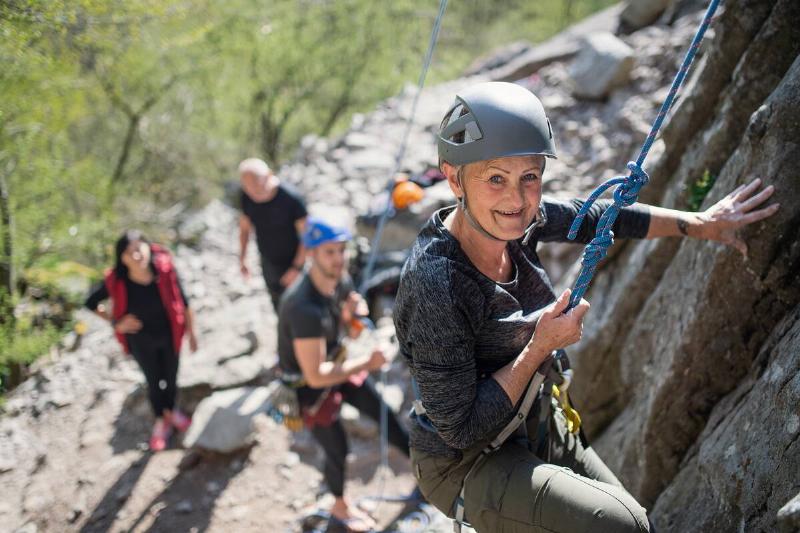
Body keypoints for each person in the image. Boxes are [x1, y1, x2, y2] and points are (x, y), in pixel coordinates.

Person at [393, 81, 779, 533]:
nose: (517, 200)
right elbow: (460, 428)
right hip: (465, 463)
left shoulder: (518, 221)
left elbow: (597, 218)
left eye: (530, 177)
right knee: (624, 525)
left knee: (637, 525)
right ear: (454, 177)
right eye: (495, 178)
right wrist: (540, 347)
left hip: (533, 421)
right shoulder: (437, 283)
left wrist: (700, 225)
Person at [277, 218, 411, 532]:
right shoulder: (302, 307)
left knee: (385, 415)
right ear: (311, 254)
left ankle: (427, 475)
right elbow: (315, 375)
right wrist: (368, 362)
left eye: (341, 250)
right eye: (329, 253)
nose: (339, 259)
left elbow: (345, 327)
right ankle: (339, 506)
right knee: (336, 447)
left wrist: (354, 315)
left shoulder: (340, 279)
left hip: (336, 363)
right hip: (309, 387)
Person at [86, 230, 199, 451]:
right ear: (122, 258)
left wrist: (192, 334)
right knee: (154, 380)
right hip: (140, 341)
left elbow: (184, 301)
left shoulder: (165, 269)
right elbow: (91, 302)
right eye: (129, 252)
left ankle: (171, 412)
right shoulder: (116, 280)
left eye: (139, 248)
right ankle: (161, 420)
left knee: (172, 376)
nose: (136, 255)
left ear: (148, 247)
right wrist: (115, 322)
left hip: (170, 334)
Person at [238, 157, 308, 310]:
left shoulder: (291, 198)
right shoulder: (247, 197)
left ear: (269, 175)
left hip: (294, 261)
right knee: (278, 305)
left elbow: (307, 236)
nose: (252, 191)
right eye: (247, 187)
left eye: (256, 184)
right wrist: (243, 257)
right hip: (268, 261)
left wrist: (296, 268)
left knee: (299, 306)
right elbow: (245, 228)